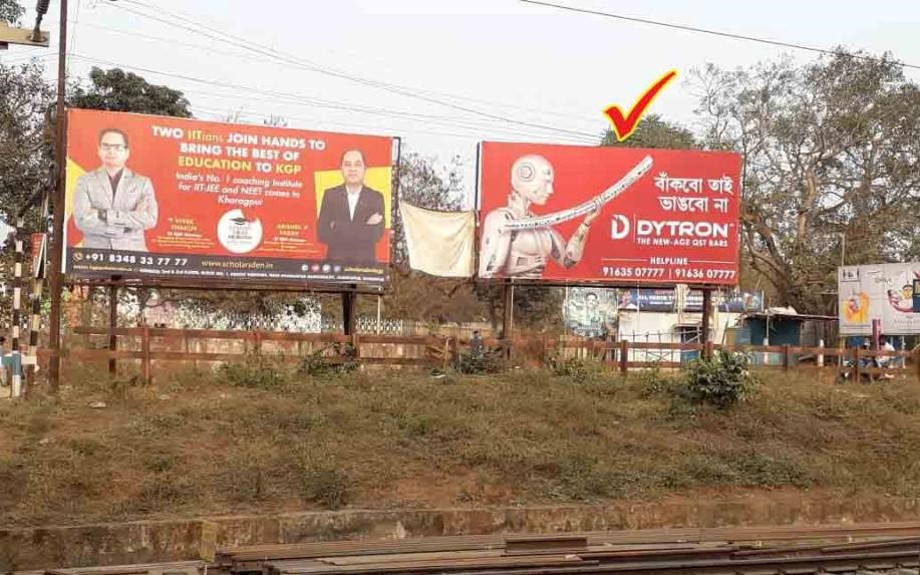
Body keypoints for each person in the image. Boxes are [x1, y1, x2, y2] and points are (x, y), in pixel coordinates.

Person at [479, 155, 599, 279]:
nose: (550, 190)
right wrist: (525, 264)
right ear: (526, 178)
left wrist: (586, 223)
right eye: (546, 183)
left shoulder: (541, 226)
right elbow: (489, 269)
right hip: (512, 293)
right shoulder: (501, 219)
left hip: (538, 293)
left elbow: (568, 261)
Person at [72, 128, 158, 251]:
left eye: (117, 147)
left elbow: (150, 219)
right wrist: (125, 228)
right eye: (106, 147)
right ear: (99, 150)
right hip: (95, 255)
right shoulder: (85, 181)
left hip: (133, 254)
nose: (111, 151)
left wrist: (103, 214)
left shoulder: (142, 183)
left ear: (127, 152)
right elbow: (82, 220)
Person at [316, 149, 386, 264]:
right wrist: (364, 226)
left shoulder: (375, 197)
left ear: (365, 169)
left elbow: (376, 234)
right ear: (341, 169)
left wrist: (338, 226)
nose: (352, 169)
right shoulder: (330, 195)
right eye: (347, 164)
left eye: (357, 164)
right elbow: (322, 233)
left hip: (365, 268)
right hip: (335, 266)